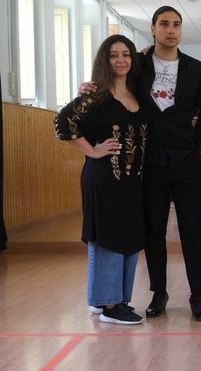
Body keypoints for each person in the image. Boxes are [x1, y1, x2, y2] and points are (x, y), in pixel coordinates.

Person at [81, 6, 201, 321]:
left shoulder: (196, 68)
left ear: (181, 30)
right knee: (153, 232)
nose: (171, 30)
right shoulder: (137, 64)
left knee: (192, 230)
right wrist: (87, 89)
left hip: (186, 163)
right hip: (150, 163)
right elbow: (114, 82)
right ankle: (159, 293)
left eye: (177, 24)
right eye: (164, 24)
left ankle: (197, 296)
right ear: (153, 29)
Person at [55, 34, 147, 325]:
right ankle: (110, 305)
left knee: (129, 237)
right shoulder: (96, 95)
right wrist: (92, 151)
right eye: (114, 54)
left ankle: (109, 299)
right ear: (105, 60)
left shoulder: (137, 94)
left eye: (126, 54)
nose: (121, 59)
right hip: (104, 178)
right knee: (108, 236)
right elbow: (63, 125)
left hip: (133, 182)